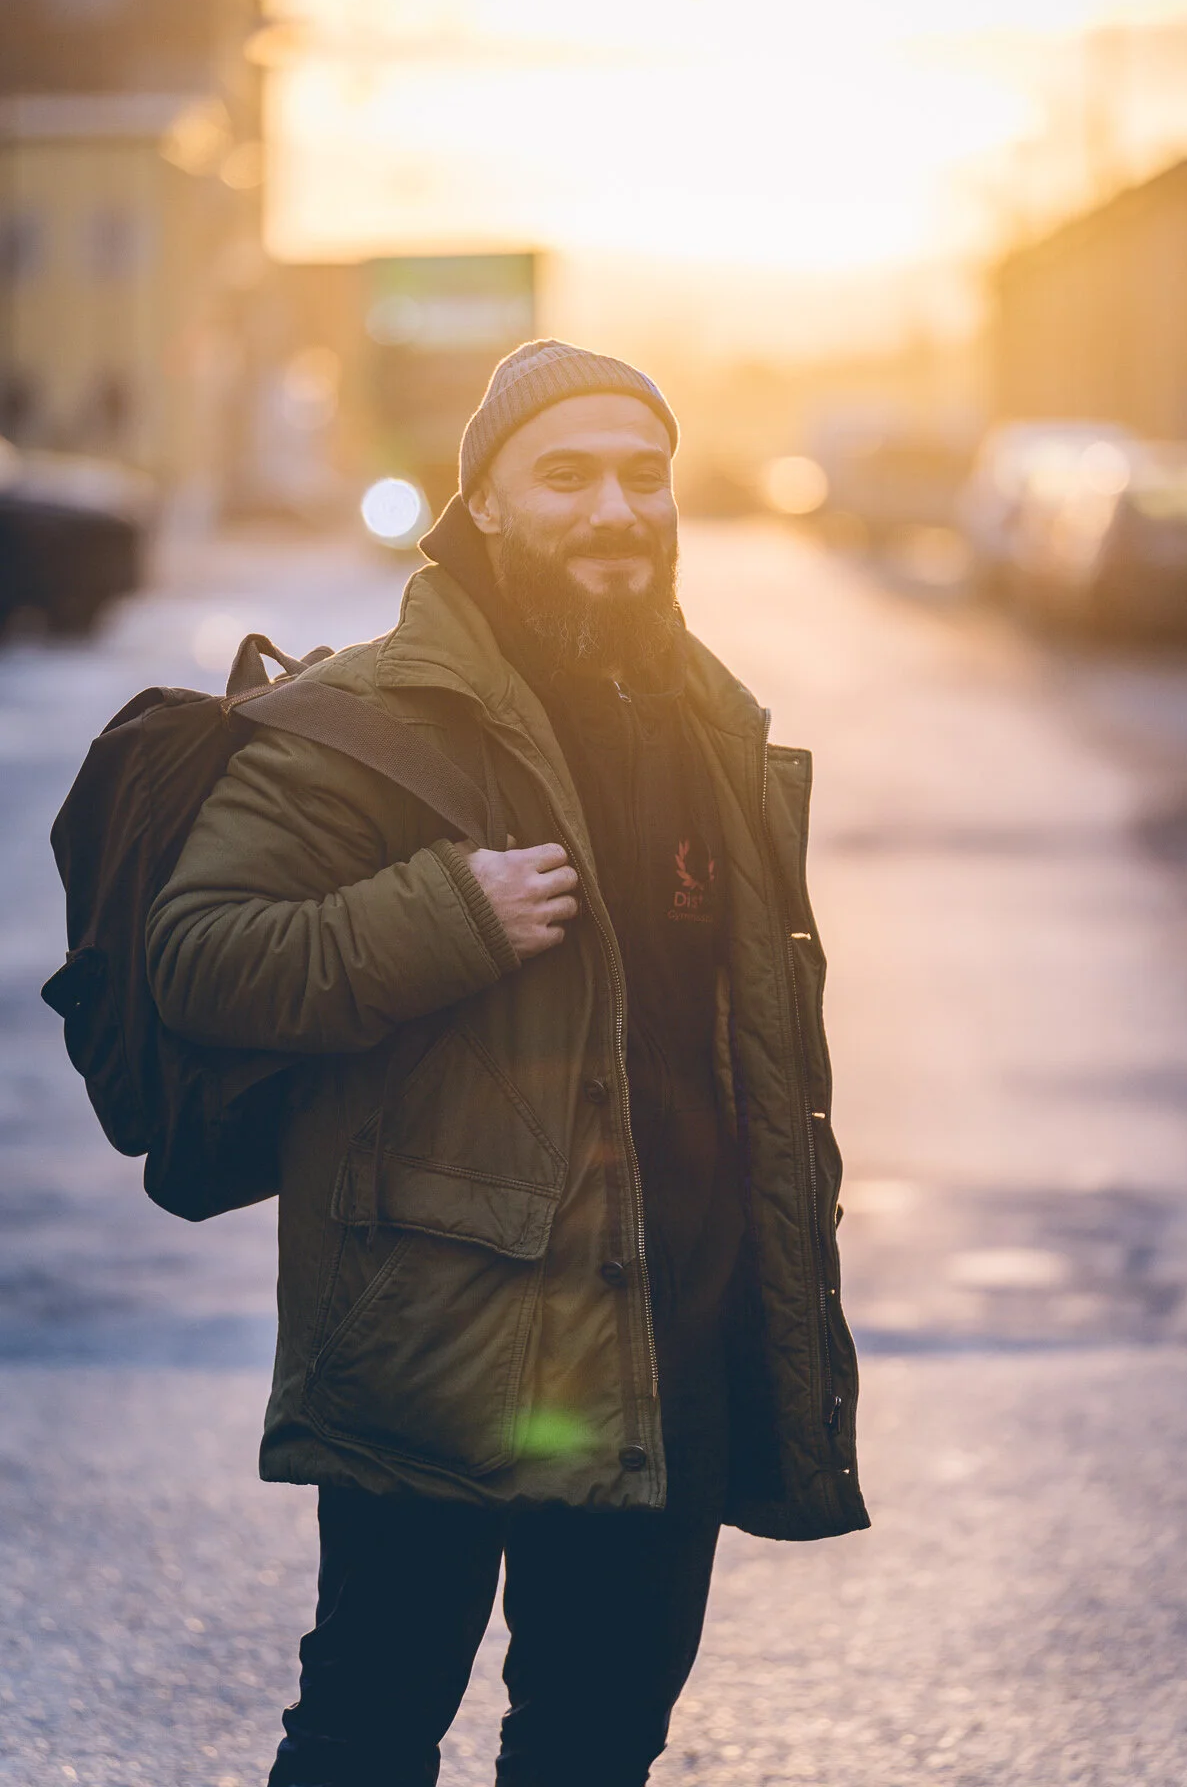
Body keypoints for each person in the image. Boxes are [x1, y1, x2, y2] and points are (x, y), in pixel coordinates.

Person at [147, 339, 867, 1787]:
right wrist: (444, 916)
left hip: (666, 1326)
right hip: (437, 1337)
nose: (617, 507)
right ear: (480, 507)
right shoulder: (365, 722)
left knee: (599, 1739)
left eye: (644, 476)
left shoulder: (707, 724)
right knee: (369, 1725)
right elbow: (200, 955)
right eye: (567, 475)